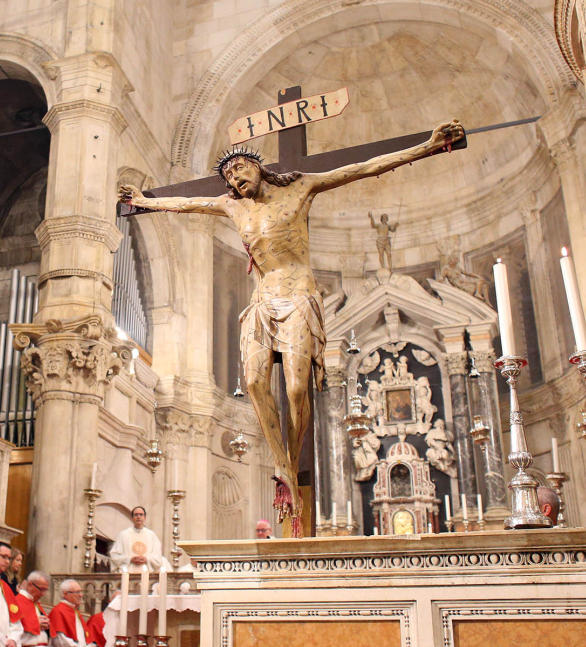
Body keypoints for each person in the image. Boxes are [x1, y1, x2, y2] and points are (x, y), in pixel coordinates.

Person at [118, 119, 464, 534]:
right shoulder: (233, 206)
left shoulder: (300, 188)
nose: (234, 178)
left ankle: (291, 458)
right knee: (253, 380)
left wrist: (428, 145)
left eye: (239, 169)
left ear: (258, 167)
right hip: (263, 300)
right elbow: (185, 202)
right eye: (227, 176)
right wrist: (144, 201)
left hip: (299, 294)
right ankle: (281, 463)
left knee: (297, 388)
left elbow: (365, 167)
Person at [109, 506, 170, 572]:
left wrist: (146, 559)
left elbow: (157, 556)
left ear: (145, 517)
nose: (138, 517)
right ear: (132, 518)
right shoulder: (124, 534)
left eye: (141, 514)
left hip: (148, 573)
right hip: (129, 573)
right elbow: (114, 555)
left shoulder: (151, 535)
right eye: (136, 515)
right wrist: (129, 559)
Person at [48, 579, 96, 647]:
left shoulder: (75, 611)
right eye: (77, 592)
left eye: (81, 592)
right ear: (66, 594)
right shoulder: (58, 611)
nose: (81, 595)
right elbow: (60, 640)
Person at [15, 571, 51, 647]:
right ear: (30, 585)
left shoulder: (35, 603)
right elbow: (14, 628)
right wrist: (36, 624)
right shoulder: (18, 601)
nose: (43, 594)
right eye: (41, 589)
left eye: (45, 590)